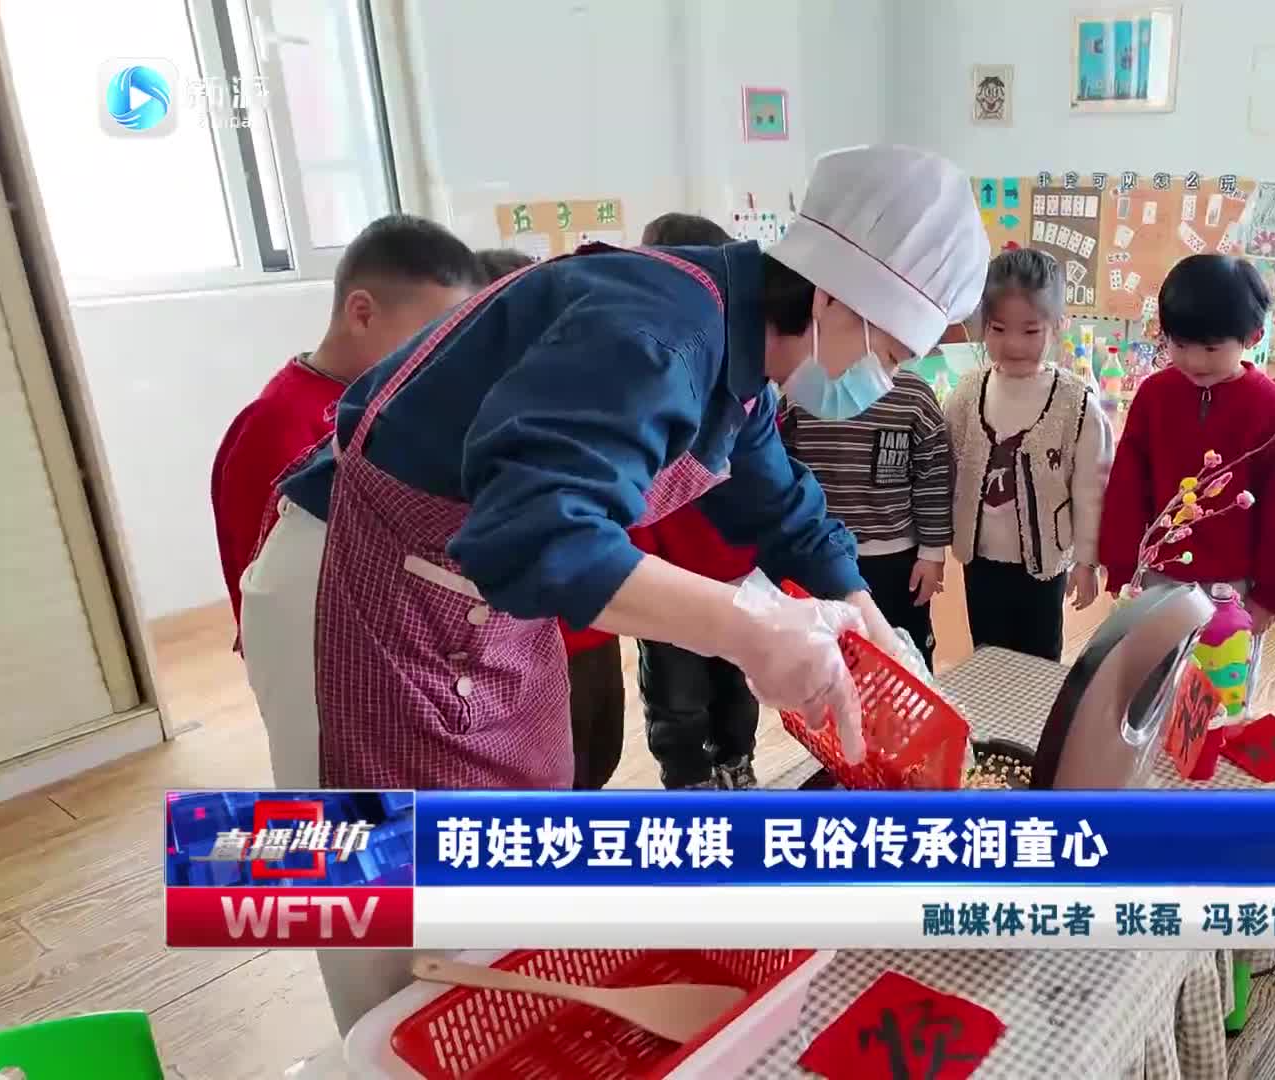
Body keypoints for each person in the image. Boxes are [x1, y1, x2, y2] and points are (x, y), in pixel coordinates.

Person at [237, 145, 988, 1033]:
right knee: (398, 915)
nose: (886, 383)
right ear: (833, 298)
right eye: (891, 353)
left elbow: (782, 502)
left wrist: (867, 617)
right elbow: (537, 535)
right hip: (355, 594)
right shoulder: (660, 333)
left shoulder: (741, 350)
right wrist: (749, 629)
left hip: (472, 606)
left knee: (506, 878)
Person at [210, 213, 479, 659]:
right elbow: (275, 592)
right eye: (429, 337)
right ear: (362, 313)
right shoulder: (276, 429)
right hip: (328, 664)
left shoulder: (389, 402)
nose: (440, 358)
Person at [471, 246, 638, 789]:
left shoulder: (574, 404)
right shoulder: (470, 425)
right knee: (542, 780)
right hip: (512, 650)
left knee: (598, 756)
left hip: (592, 626)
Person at [628, 211, 765, 791]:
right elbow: (632, 503)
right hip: (667, 586)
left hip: (738, 578)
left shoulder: (743, 381)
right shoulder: (644, 383)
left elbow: (770, 488)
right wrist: (646, 575)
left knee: (739, 689)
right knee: (677, 700)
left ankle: (737, 762)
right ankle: (687, 782)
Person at [1100, 254, 1275, 632]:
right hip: (1154, 575)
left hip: (1233, 588)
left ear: (1253, 337)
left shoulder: (1272, 407)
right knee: (1151, 667)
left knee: (1224, 670)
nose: (1194, 361)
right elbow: (1127, 486)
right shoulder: (1154, 395)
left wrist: (1269, 594)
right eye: (1179, 344)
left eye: (1211, 348)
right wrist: (1122, 568)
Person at [944, 249, 1111, 661]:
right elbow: (943, 468)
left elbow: (1091, 490)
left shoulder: (1076, 404)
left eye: (1031, 330)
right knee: (987, 655)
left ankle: (1037, 708)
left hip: (1044, 564)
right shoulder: (967, 393)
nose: (1014, 344)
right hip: (980, 558)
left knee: (1040, 659)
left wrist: (1087, 562)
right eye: (999, 329)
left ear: (1059, 326)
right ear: (983, 326)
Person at [778, 359, 952, 664]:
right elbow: (782, 472)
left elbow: (933, 475)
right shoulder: (801, 390)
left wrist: (932, 552)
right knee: (829, 659)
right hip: (818, 553)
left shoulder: (914, 394)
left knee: (906, 656)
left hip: (897, 557)